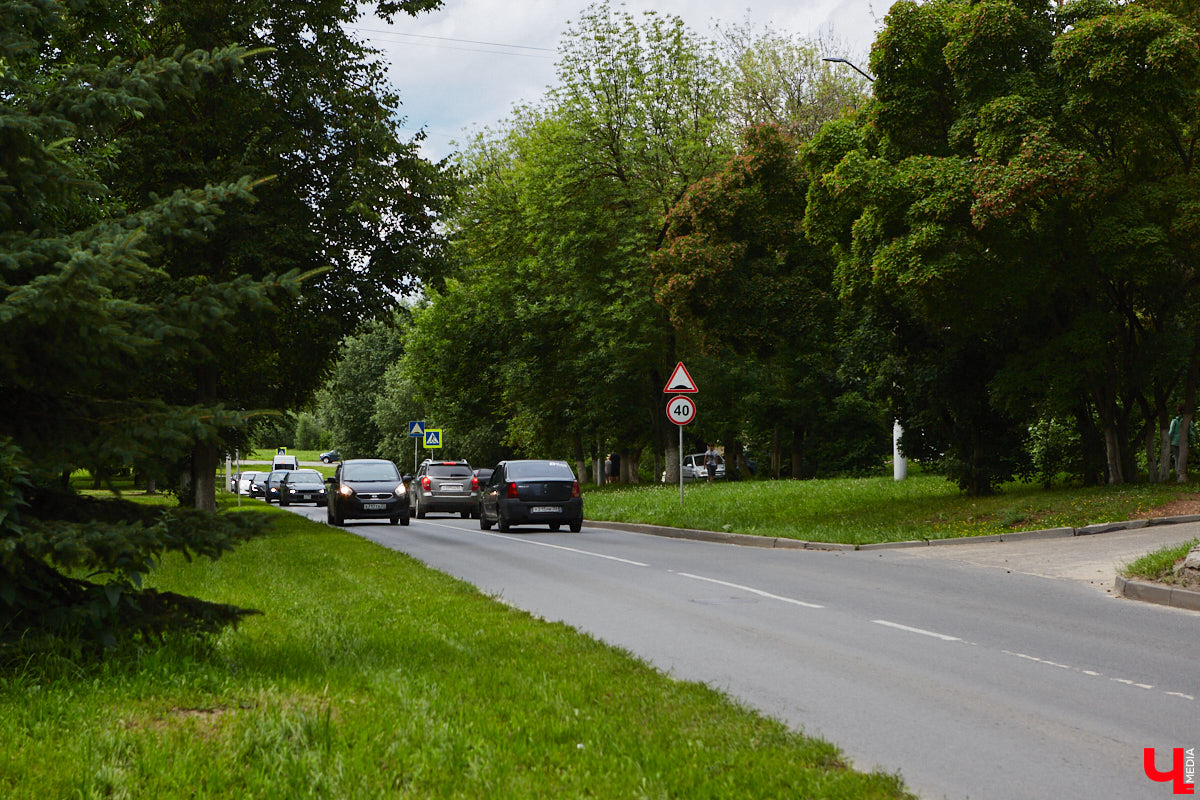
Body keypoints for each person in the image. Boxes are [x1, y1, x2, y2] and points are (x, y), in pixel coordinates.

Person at [1169, 404, 1195, 473]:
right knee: (1183, 458)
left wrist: (1168, 441)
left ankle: (1178, 474)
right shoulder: (1189, 421)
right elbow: (1191, 433)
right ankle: (1183, 473)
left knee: (1177, 458)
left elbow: (1171, 433)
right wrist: (1192, 443)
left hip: (1174, 442)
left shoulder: (1174, 421)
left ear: (1178, 411)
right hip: (1184, 442)